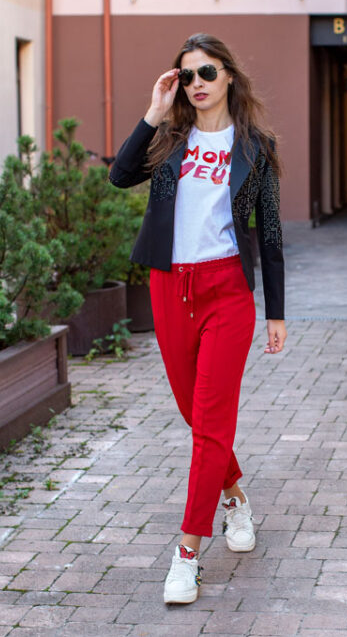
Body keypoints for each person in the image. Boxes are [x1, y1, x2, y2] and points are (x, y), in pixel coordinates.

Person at [109, 33, 287, 605]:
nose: (197, 83)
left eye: (207, 71)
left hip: (226, 290)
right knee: (195, 414)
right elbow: (119, 175)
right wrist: (152, 112)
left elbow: (272, 234)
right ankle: (235, 495)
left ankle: (187, 554)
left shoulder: (255, 147)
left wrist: (276, 313)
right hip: (169, 286)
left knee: (211, 424)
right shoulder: (170, 139)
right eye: (187, 75)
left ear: (229, 75)